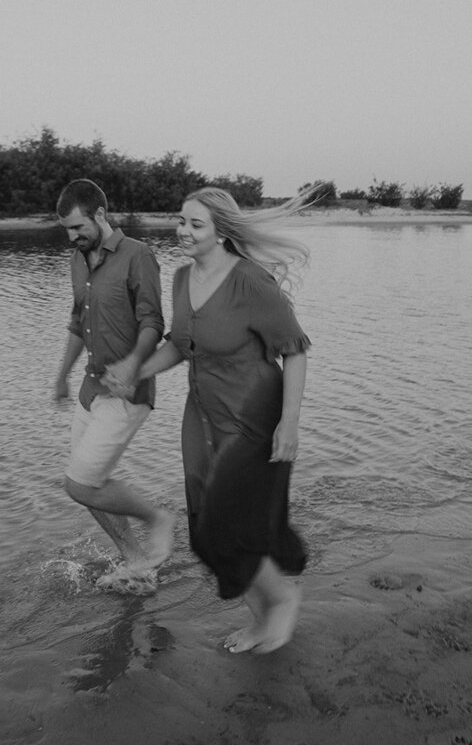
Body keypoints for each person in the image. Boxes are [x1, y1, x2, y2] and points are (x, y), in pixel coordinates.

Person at [136, 186, 312, 652]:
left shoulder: (250, 282)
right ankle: (260, 618)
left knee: (224, 521)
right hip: (202, 410)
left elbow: (295, 350)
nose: (184, 231)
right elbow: (180, 343)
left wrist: (289, 423)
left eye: (196, 224)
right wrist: (135, 372)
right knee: (202, 527)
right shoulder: (180, 278)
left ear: (221, 232)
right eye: (181, 221)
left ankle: (283, 600)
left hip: (252, 411)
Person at [54, 178, 175, 589]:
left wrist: (132, 363)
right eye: (67, 230)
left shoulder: (137, 255)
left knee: (81, 484)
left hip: (127, 394)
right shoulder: (77, 259)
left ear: (100, 215)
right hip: (91, 391)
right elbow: (76, 322)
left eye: (77, 227)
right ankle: (137, 561)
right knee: (87, 485)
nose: (72, 237)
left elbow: (153, 323)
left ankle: (158, 518)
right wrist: (61, 376)